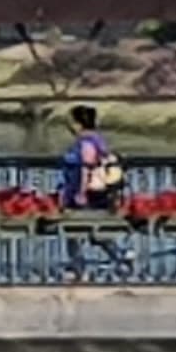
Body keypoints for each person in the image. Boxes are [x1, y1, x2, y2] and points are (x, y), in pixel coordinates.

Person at [58, 104, 132, 274]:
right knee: (92, 230)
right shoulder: (98, 141)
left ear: (78, 124)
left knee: (77, 228)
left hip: (87, 193)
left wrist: (81, 193)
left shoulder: (86, 144)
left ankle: (78, 265)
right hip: (93, 192)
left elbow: (86, 169)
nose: (68, 126)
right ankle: (119, 257)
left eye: (71, 122)